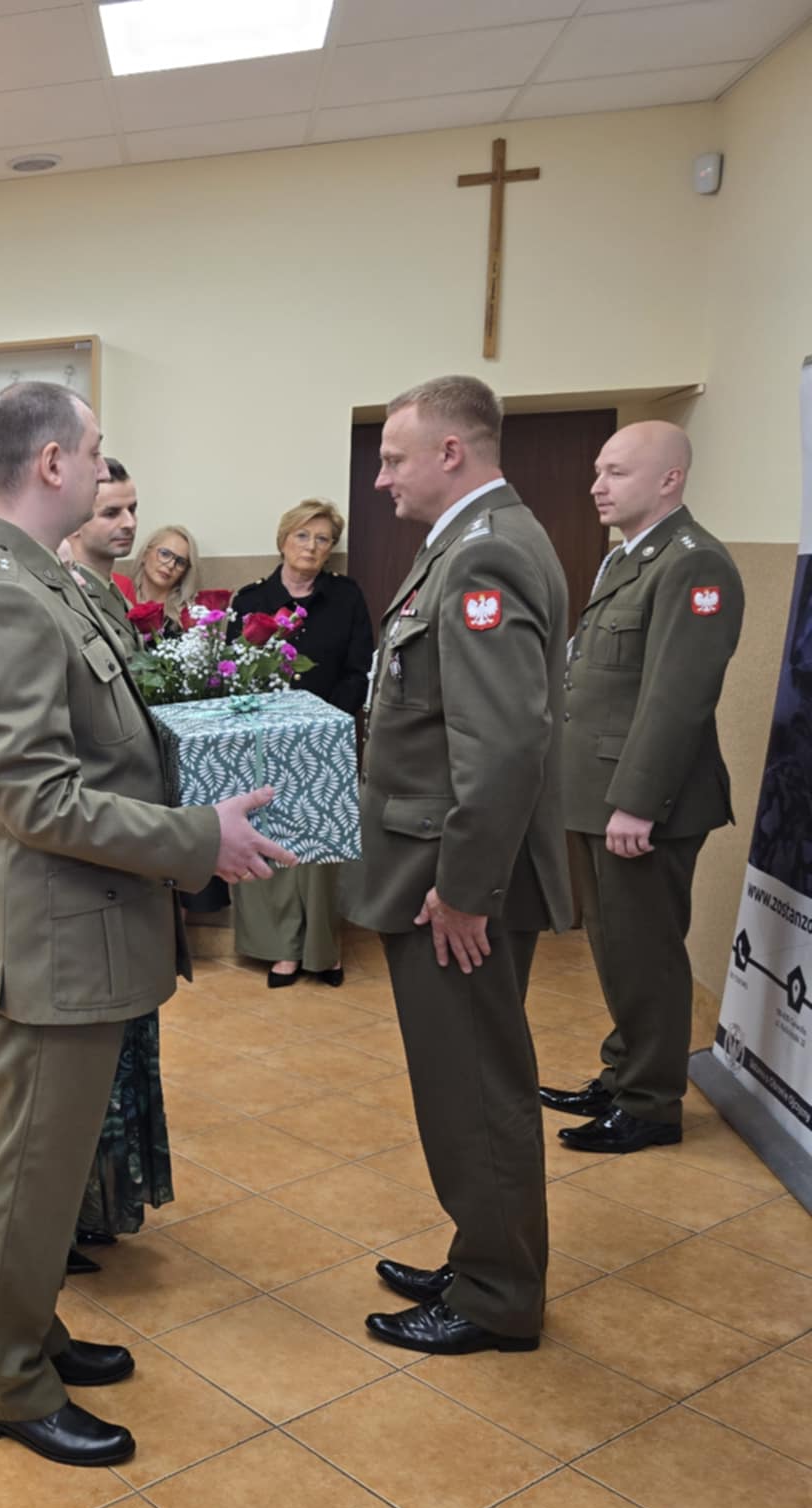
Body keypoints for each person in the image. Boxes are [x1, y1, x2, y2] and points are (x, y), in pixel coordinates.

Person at [0, 380, 289, 1467]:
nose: (103, 468)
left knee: (40, 1167)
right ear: (51, 463)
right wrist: (196, 839)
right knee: (28, 1166)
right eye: (94, 452)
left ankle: (28, 1328)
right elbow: (36, 799)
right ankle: (4, 1381)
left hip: (82, 925)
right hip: (55, 938)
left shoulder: (46, 576)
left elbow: (106, 739)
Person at [351, 374, 570, 1358]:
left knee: (474, 1090)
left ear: (452, 451)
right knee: (465, 1084)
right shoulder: (469, 543)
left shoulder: (484, 553)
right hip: (448, 871)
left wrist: (464, 890)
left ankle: (495, 1295)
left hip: (456, 886)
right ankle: (481, 1252)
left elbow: (504, 744)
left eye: (393, 458)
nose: (382, 479)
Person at [540, 422, 744, 1154]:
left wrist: (637, 801)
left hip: (641, 804)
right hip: (599, 794)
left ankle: (652, 1105)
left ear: (669, 479)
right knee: (615, 948)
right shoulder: (630, 557)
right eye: (598, 470)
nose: (598, 485)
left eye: (616, 472)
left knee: (646, 953)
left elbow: (676, 698)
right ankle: (624, 1074)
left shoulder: (695, 563)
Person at [228, 499, 376, 988]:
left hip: (326, 738)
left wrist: (322, 723)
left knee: (321, 847)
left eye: (323, 539)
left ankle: (322, 950)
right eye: (303, 536)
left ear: (331, 549)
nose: (312, 546)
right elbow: (232, 672)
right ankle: (281, 950)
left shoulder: (346, 597)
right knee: (272, 841)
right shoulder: (251, 599)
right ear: (283, 540)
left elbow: (359, 669)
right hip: (265, 739)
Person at [64, 459, 142, 649]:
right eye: (111, 513)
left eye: (132, 510)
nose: (130, 523)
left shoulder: (112, 590)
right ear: (74, 521)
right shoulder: (69, 597)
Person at [124, 523, 201, 637]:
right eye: (165, 554)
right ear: (145, 554)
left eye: (180, 562)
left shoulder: (188, 616)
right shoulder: (121, 598)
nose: (170, 565)